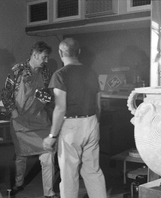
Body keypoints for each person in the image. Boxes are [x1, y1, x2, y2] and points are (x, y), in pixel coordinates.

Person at [43, 38, 107, 198]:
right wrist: (94, 123)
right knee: (93, 171)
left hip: (71, 125)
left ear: (60, 53)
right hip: (92, 121)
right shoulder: (92, 72)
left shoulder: (60, 75)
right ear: (78, 52)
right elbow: (99, 104)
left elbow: (60, 108)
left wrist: (52, 136)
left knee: (69, 174)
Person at [1, 41, 58, 198]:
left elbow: (49, 93)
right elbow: (6, 94)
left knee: (48, 155)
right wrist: (13, 113)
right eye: (44, 57)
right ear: (35, 54)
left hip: (40, 120)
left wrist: (47, 97)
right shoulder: (17, 70)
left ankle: (49, 192)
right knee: (21, 156)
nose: (46, 61)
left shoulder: (46, 72)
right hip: (20, 120)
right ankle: (19, 184)